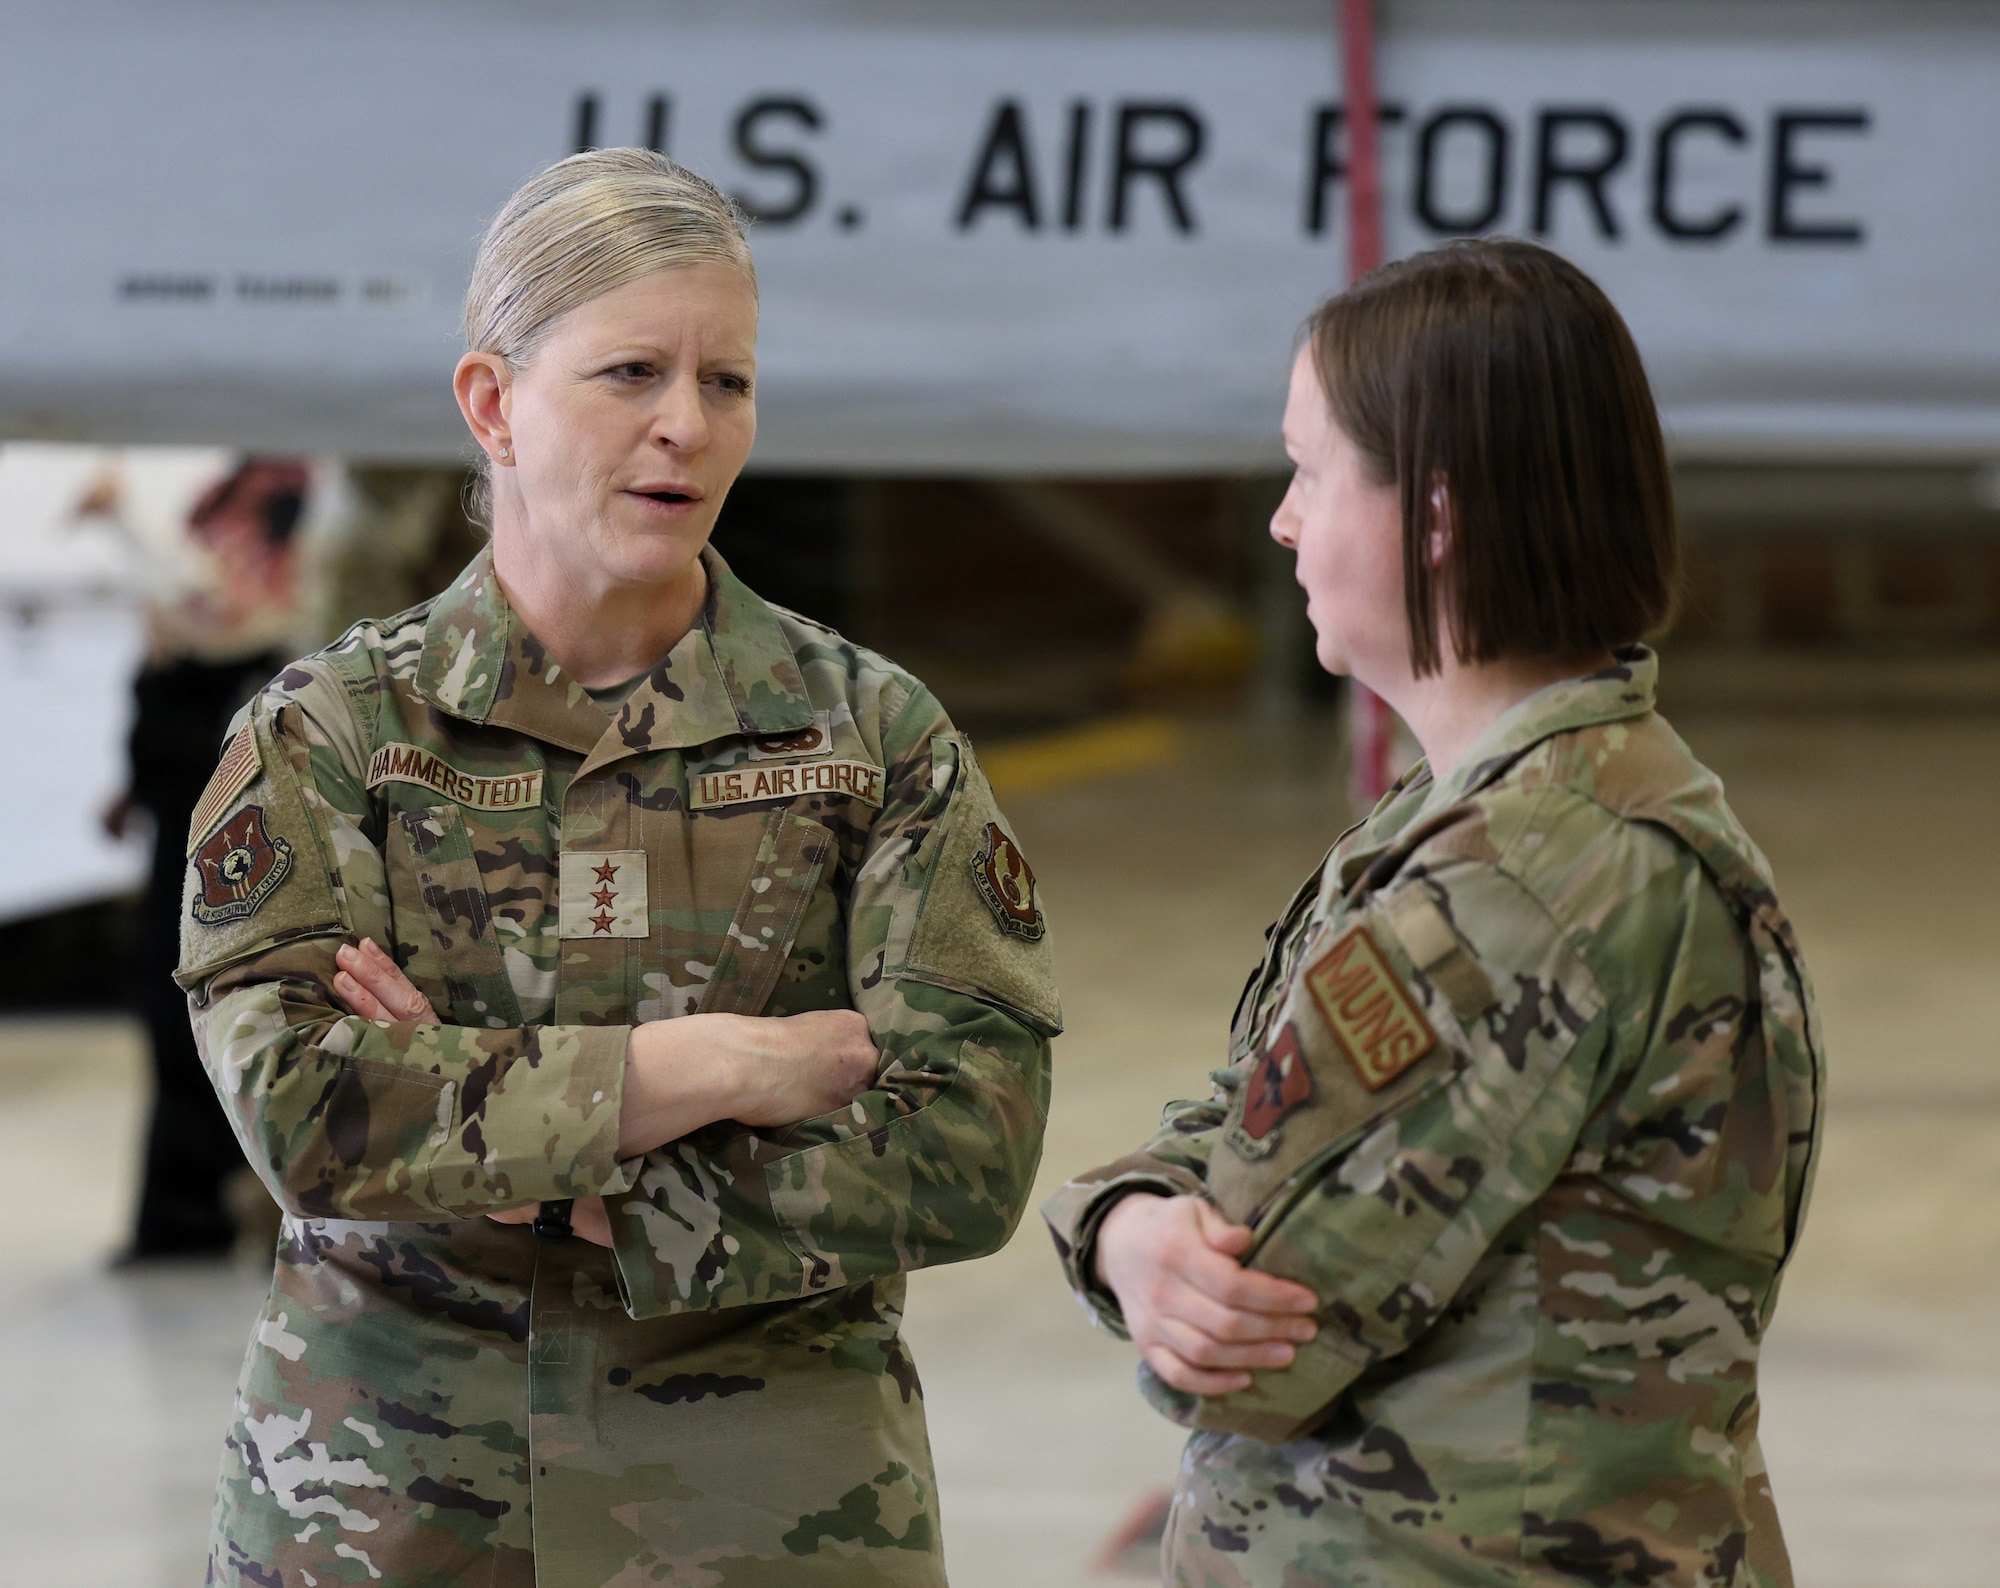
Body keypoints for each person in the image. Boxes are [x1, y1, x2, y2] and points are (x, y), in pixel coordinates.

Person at [177, 149, 1059, 1587]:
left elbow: (972, 1142)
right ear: (492, 404)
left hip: (769, 1518)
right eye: (631, 372)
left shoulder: (871, 740)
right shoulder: (333, 735)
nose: (686, 428)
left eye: (729, 382)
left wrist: (548, 1164)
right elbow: (303, 1112)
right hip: (384, 1514)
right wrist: (715, 1069)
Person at [1044, 239, 1823, 1587]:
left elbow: (1249, 1333)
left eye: (1309, 472)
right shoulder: (1512, 812)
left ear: (1435, 515)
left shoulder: (1518, 883)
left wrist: (1117, 1234)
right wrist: (1122, 1222)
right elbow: (1255, 1117)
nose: (1282, 521)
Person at [103, 457, 309, 1259]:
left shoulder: (286, 509)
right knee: (174, 1013)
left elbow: (229, 613)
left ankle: (218, 1207)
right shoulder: (237, 498)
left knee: (219, 1005)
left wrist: (125, 524)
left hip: (224, 839)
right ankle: (185, 1212)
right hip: (180, 830)